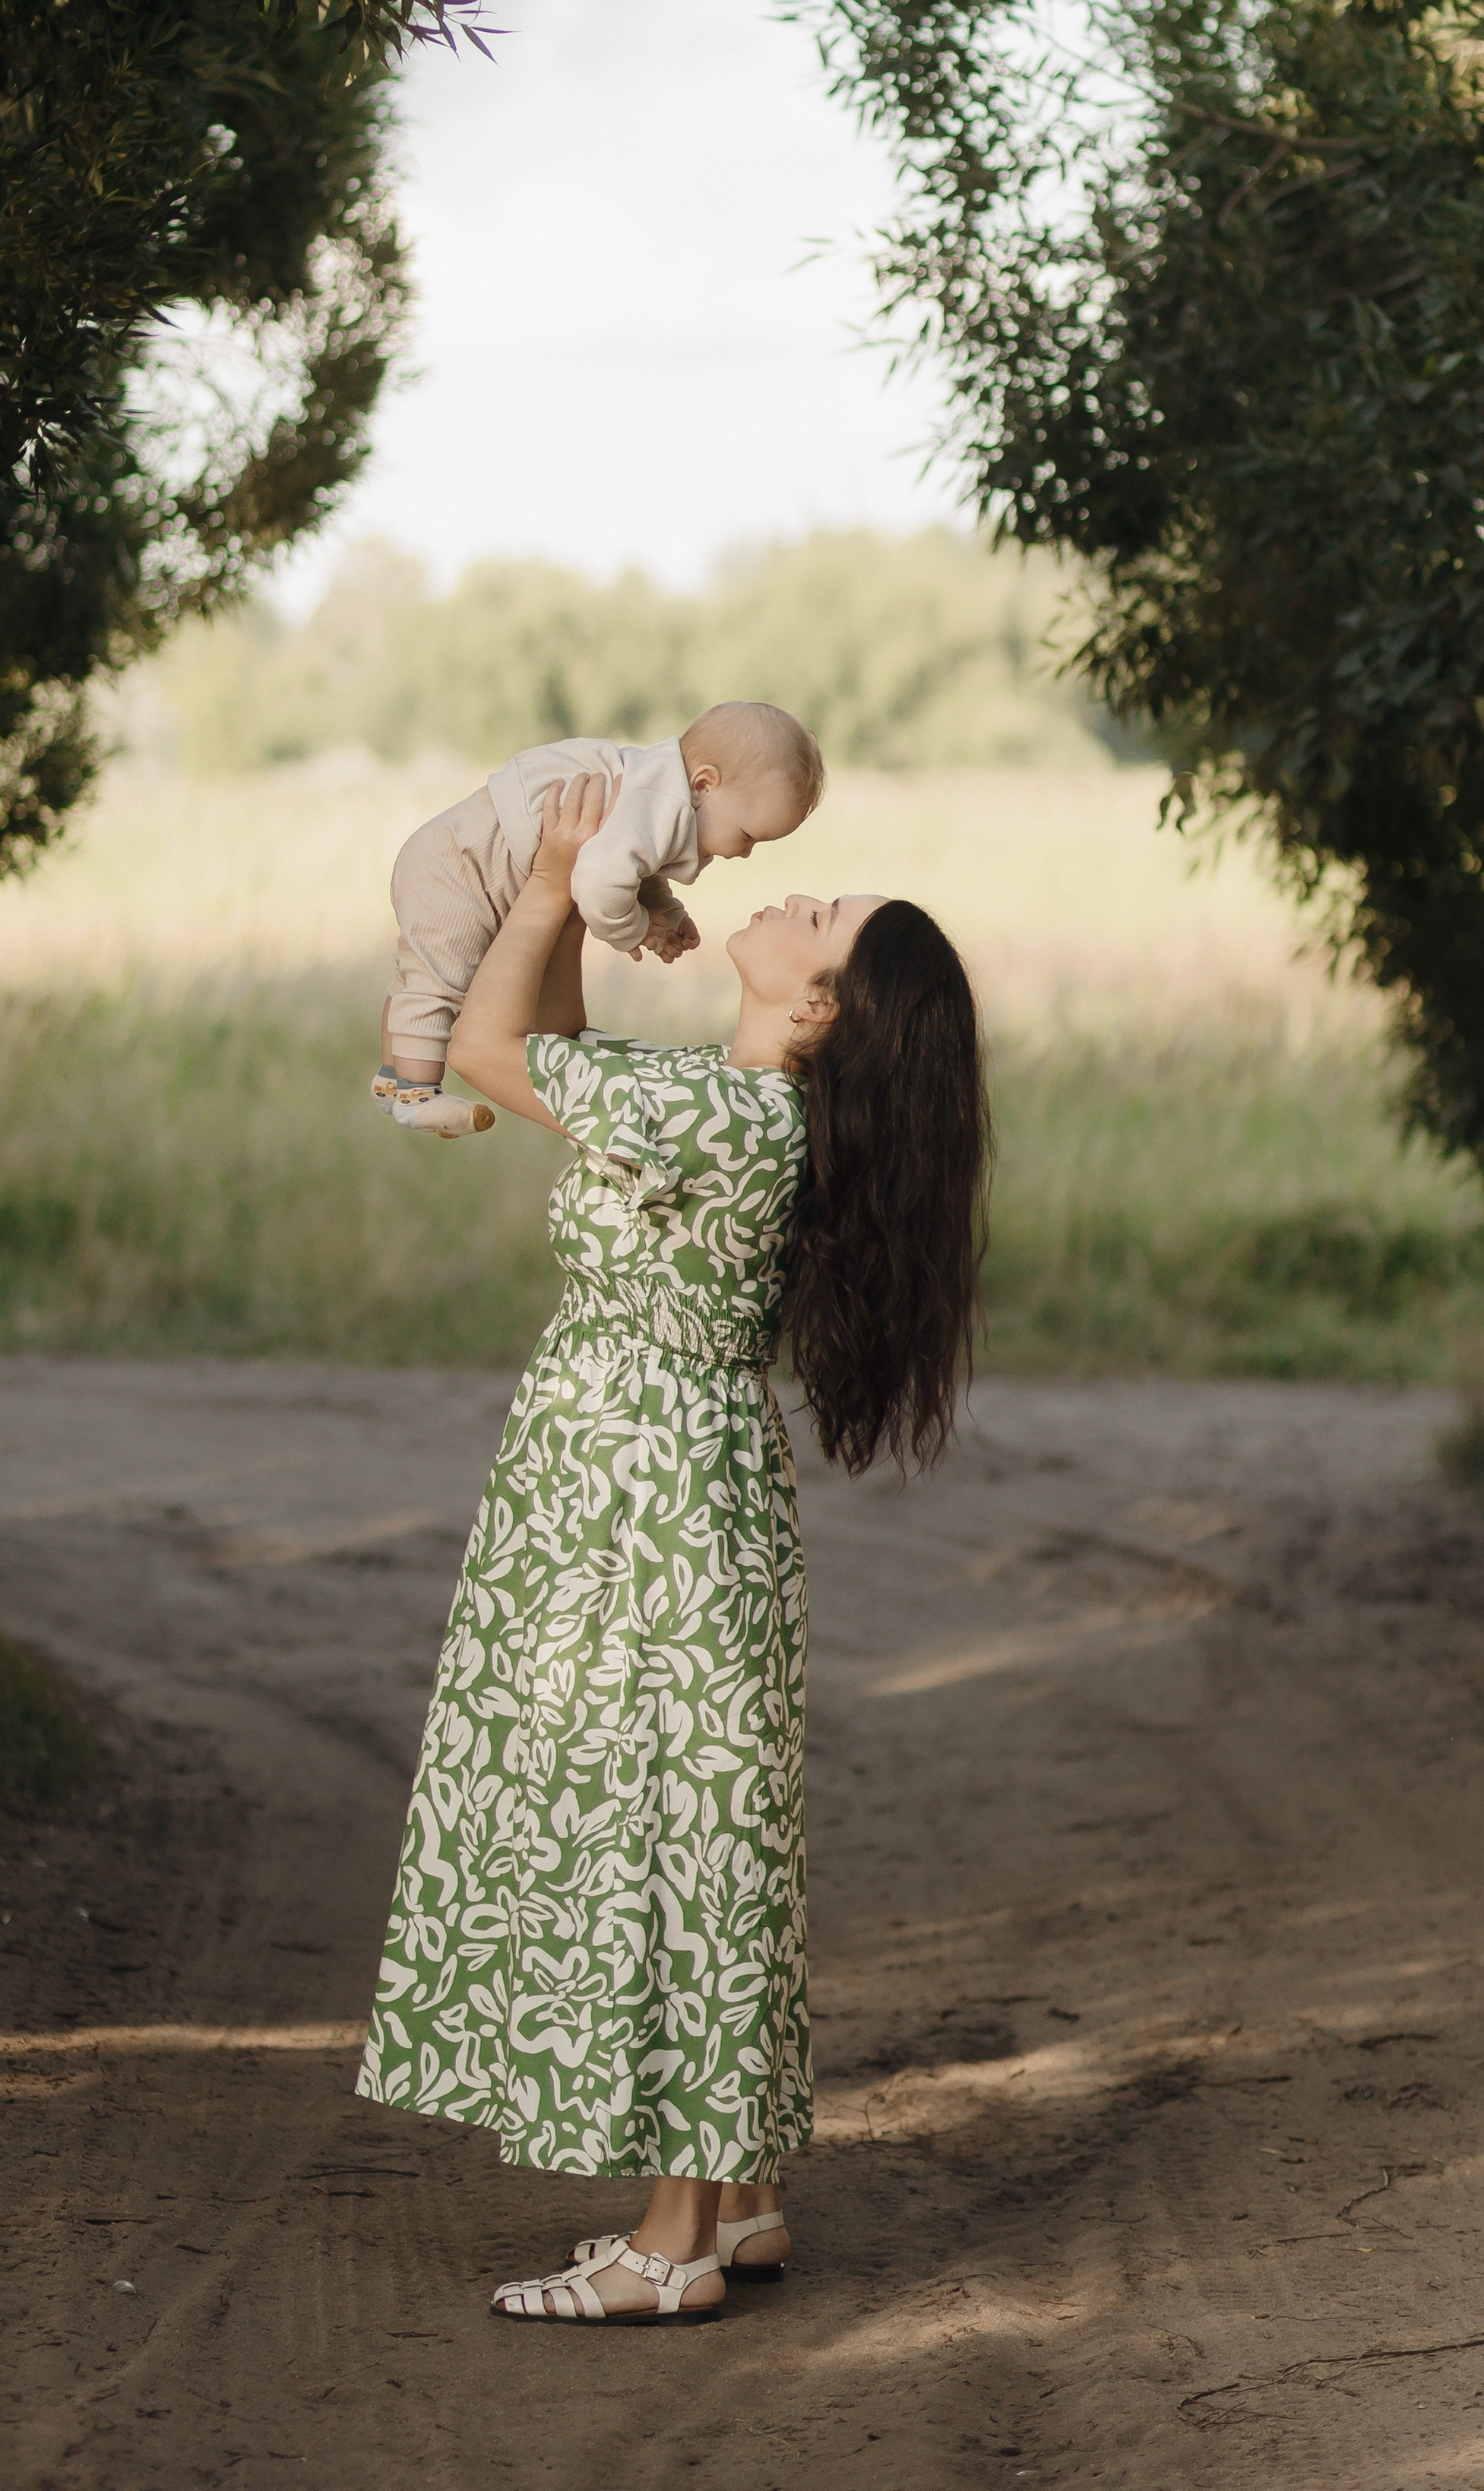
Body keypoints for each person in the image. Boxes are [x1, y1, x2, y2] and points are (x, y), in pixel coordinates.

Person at [356, 771, 991, 2321]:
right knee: (703, 1830)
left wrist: (548, 878)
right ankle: (740, 2195)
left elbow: (499, 1053)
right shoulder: (742, 1117)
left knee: (659, 1839)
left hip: (633, 1505)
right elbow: (564, 1055)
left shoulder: (719, 1118)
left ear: (826, 1007)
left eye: (820, 916)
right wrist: (571, 906)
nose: (789, 897)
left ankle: (669, 2248)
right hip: (673, 1491)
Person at [372, 701, 823, 1136]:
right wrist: (639, 930)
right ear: (705, 784)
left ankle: (393, 1079)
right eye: (748, 836)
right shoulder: (659, 805)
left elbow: (635, 870)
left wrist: (666, 913)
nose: (743, 852)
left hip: (452, 854)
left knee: (419, 975)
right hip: (462, 864)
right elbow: (599, 888)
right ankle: (417, 1094)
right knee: (442, 979)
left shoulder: (654, 797)